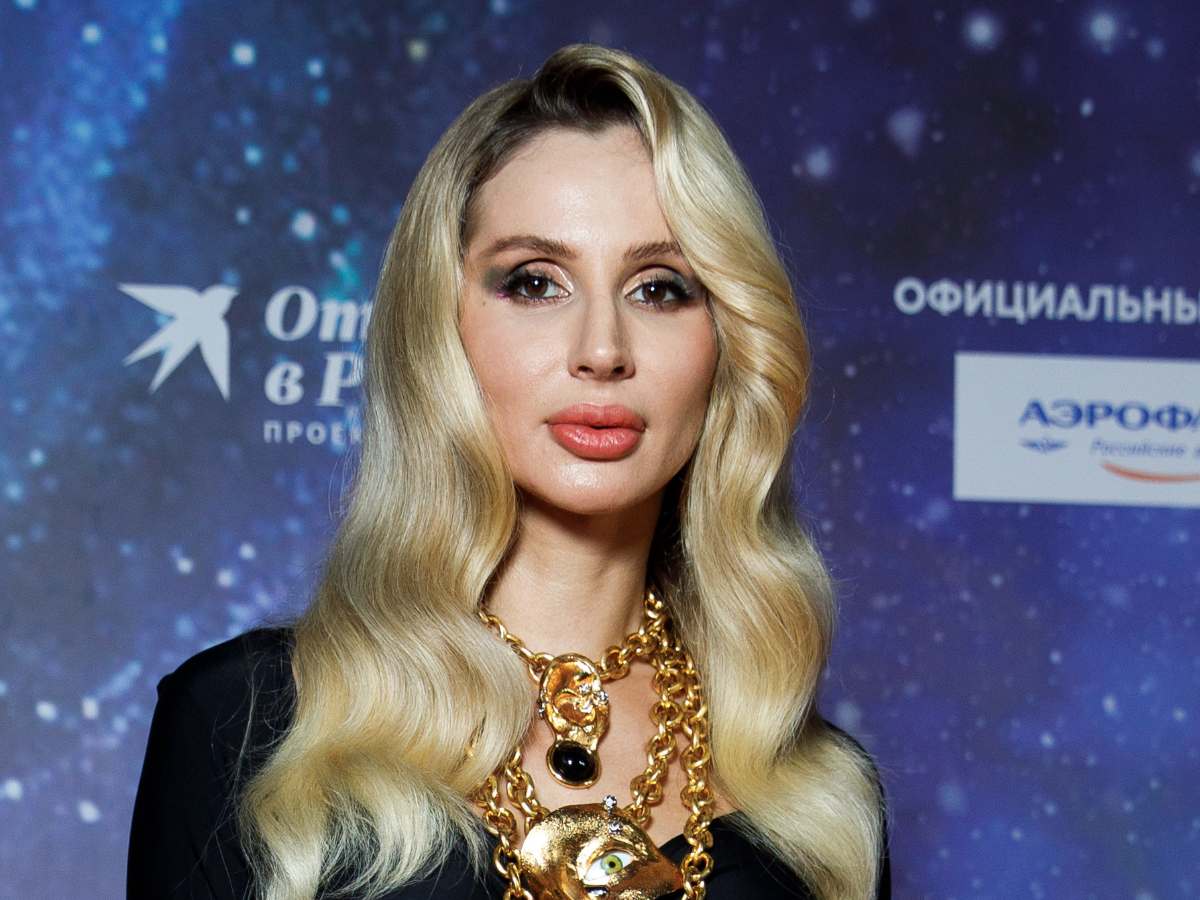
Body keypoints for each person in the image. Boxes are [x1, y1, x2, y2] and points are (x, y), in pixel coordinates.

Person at [127, 42, 891, 900]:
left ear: (726, 340)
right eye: (535, 283)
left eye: (660, 288)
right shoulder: (243, 723)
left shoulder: (822, 796)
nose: (602, 349)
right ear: (441, 325)